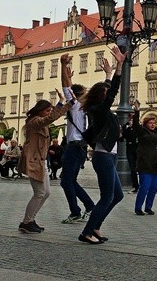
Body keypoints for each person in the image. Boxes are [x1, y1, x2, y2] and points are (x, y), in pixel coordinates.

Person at [78, 46, 126, 244]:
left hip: (109, 155)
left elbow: (108, 90)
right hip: (103, 156)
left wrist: (108, 74)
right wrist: (119, 67)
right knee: (107, 197)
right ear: (102, 96)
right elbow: (113, 91)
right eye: (106, 94)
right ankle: (87, 232)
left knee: (118, 195)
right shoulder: (98, 109)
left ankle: (95, 226)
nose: (109, 96)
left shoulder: (100, 109)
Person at [18, 90, 69, 233]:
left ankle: (30, 220)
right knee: (39, 193)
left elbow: (54, 116)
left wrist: (67, 104)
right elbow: (49, 119)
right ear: (40, 111)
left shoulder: (42, 122)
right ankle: (26, 222)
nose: (49, 113)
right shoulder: (34, 121)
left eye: (50, 110)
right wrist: (61, 103)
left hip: (42, 161)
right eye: (47, 110)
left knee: (45, 193)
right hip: (34, 161)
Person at [59, 53, 96, 223]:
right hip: (81, 148)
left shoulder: (75, 106)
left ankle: (76, 211)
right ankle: (89, 206)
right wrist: (67, 71)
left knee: (66, 181)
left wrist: (62, 65)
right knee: (70, 180)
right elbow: (69, 87)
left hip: (74, 147)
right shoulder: (86, 108)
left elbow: (66, 87)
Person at [133, 102, 157, 215]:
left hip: (156, 163)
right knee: (144, 187)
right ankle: (138, 207)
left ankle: (148, 207)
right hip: (145, 163)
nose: (152, 125)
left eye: (154, 123)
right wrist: (137, 111)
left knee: (154, 187)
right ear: (146, 124)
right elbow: (135, 124)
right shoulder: (141, 132)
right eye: (150, 123)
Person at [122, 109, 139, 193]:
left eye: (133, 117)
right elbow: (122, 136)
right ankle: (135, 186)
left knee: (139, 168)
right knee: (132, 168)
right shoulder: (126, 126)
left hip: (138, 148)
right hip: (129, 148)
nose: (132, 119)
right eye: (131, 117)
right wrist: (129, 127)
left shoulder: (138, 126)